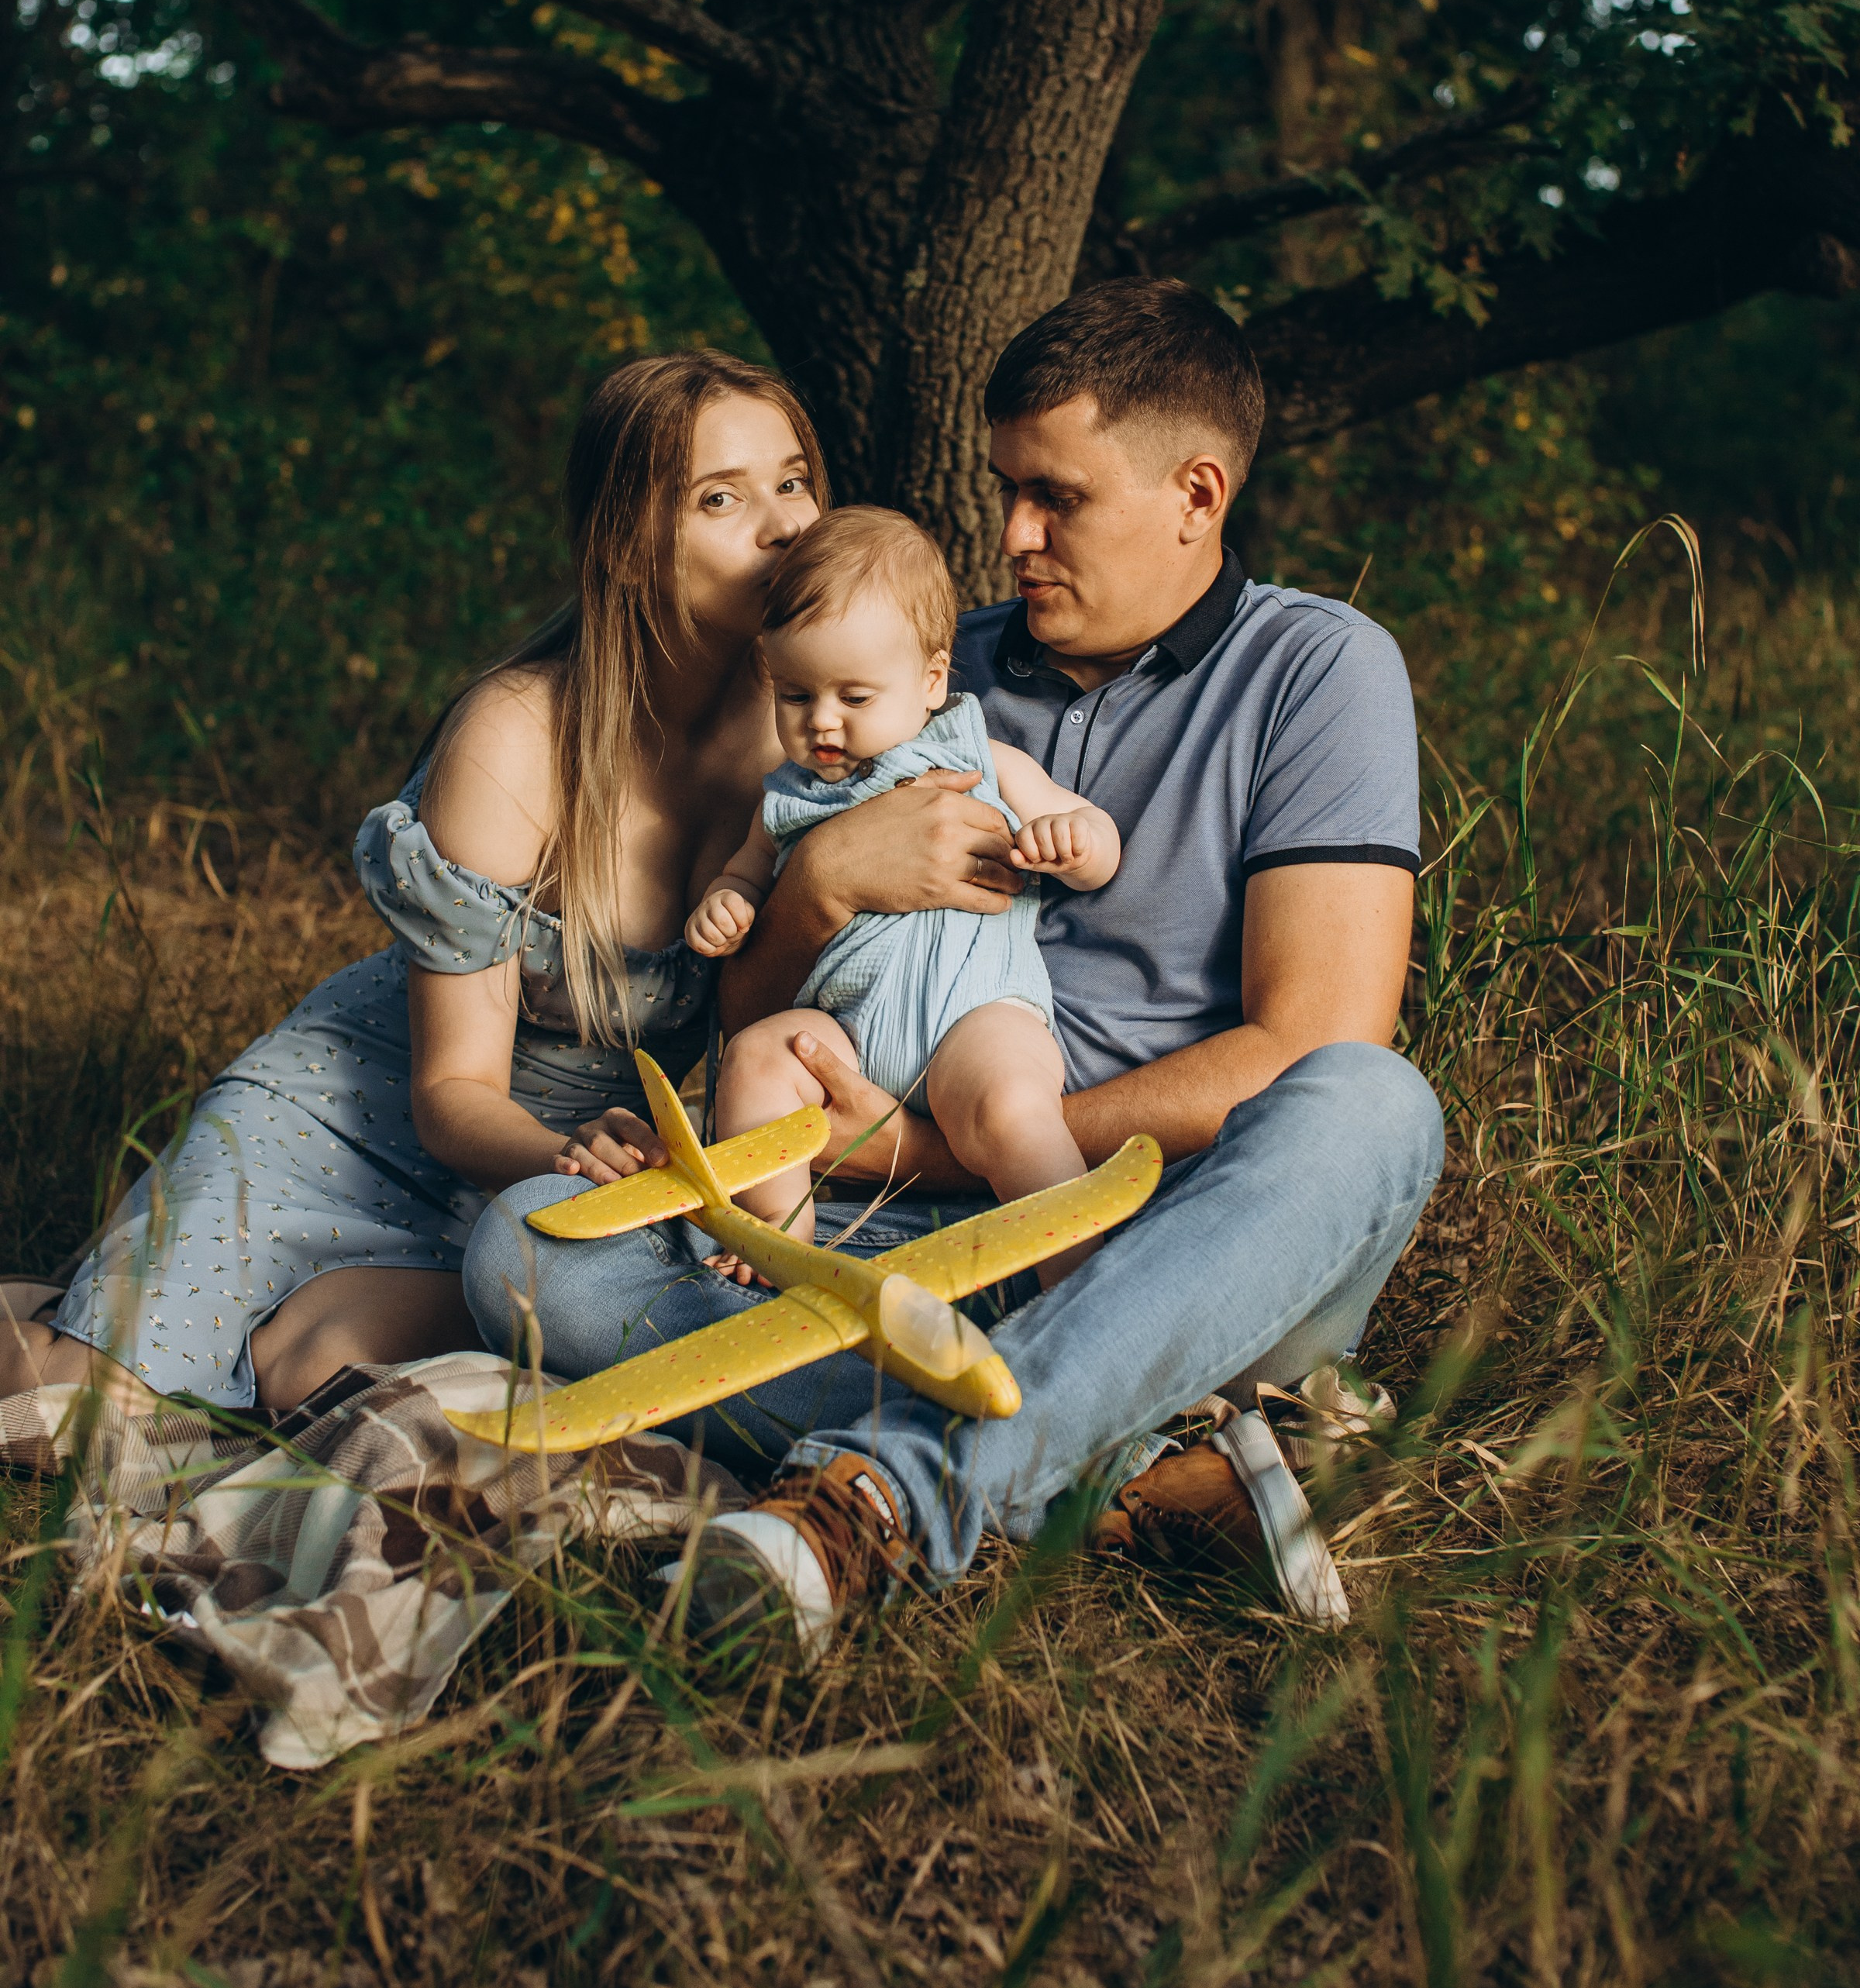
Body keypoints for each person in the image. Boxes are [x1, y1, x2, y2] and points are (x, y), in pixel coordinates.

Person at [461, 277, 1445, 1659]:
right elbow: (750, 1015)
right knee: (520, 1253)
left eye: (1055, 500)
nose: (1011, 539)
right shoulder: (913, 666)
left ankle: (879, 1500)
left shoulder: (1316, 669)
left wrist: (919, 1149)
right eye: (1002, 493)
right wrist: (819, 887)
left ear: (1198, 493)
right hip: (888, 1246)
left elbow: (1302, 1045)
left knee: (1373, 1104)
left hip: (1164, 1238)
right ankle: (1140, 1468)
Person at [0, 353, 823, 1412]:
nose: (784, 527)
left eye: (794, 481)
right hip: (358, 1119)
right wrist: (574, 1153)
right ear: (626, 545)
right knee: (91, 1405)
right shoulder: (517, 735)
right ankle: (95, 1327)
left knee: (295, 1376)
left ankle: (169, 1315)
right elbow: (451, 1096)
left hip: (537, 1190)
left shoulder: (821, 734)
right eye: (722, 498)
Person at [686, 507, 1121, 1247]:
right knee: (758, 1060)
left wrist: (1070, 840)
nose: (823, 722)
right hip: (844, 1034)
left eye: (854, 698)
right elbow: (746, 874)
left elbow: (1096, 839)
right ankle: (780, 1235)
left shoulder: (984, 760)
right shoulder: (788, 797)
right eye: (796, 696)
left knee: (1012, 1107)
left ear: (930, 680)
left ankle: (1075, 1267)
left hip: (974, 1018)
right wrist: (727, 903)